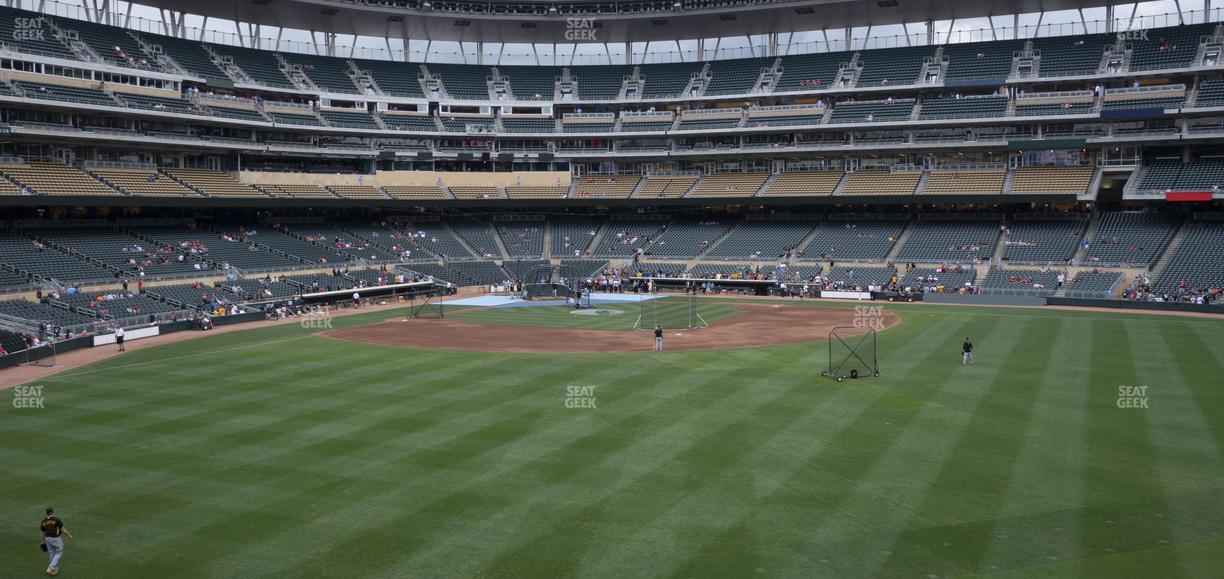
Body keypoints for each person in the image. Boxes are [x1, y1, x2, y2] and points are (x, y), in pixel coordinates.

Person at [40, 507, 73, 576]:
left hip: (47, 539)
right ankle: (51, 567)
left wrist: (42, 542)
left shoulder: (44, 521)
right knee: (59, 552)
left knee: (51, 553)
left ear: (46, 513)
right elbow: (62, 529)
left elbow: (42, 533)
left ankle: (53, 569)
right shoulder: (56, 520)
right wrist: (69, 535)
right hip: (56, 539)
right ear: (52, 512)